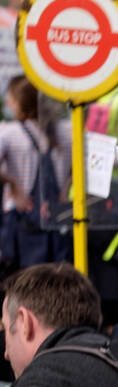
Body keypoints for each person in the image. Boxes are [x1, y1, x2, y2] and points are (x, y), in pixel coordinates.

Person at [0, 76, 72, 272]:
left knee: (22, 282)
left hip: (21, 222)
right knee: (56, 278)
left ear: (18, 103)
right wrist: (67, 188)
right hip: (59, 219)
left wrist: (13, 184)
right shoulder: (67, 130)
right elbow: (88, 162)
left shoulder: (9, 132)